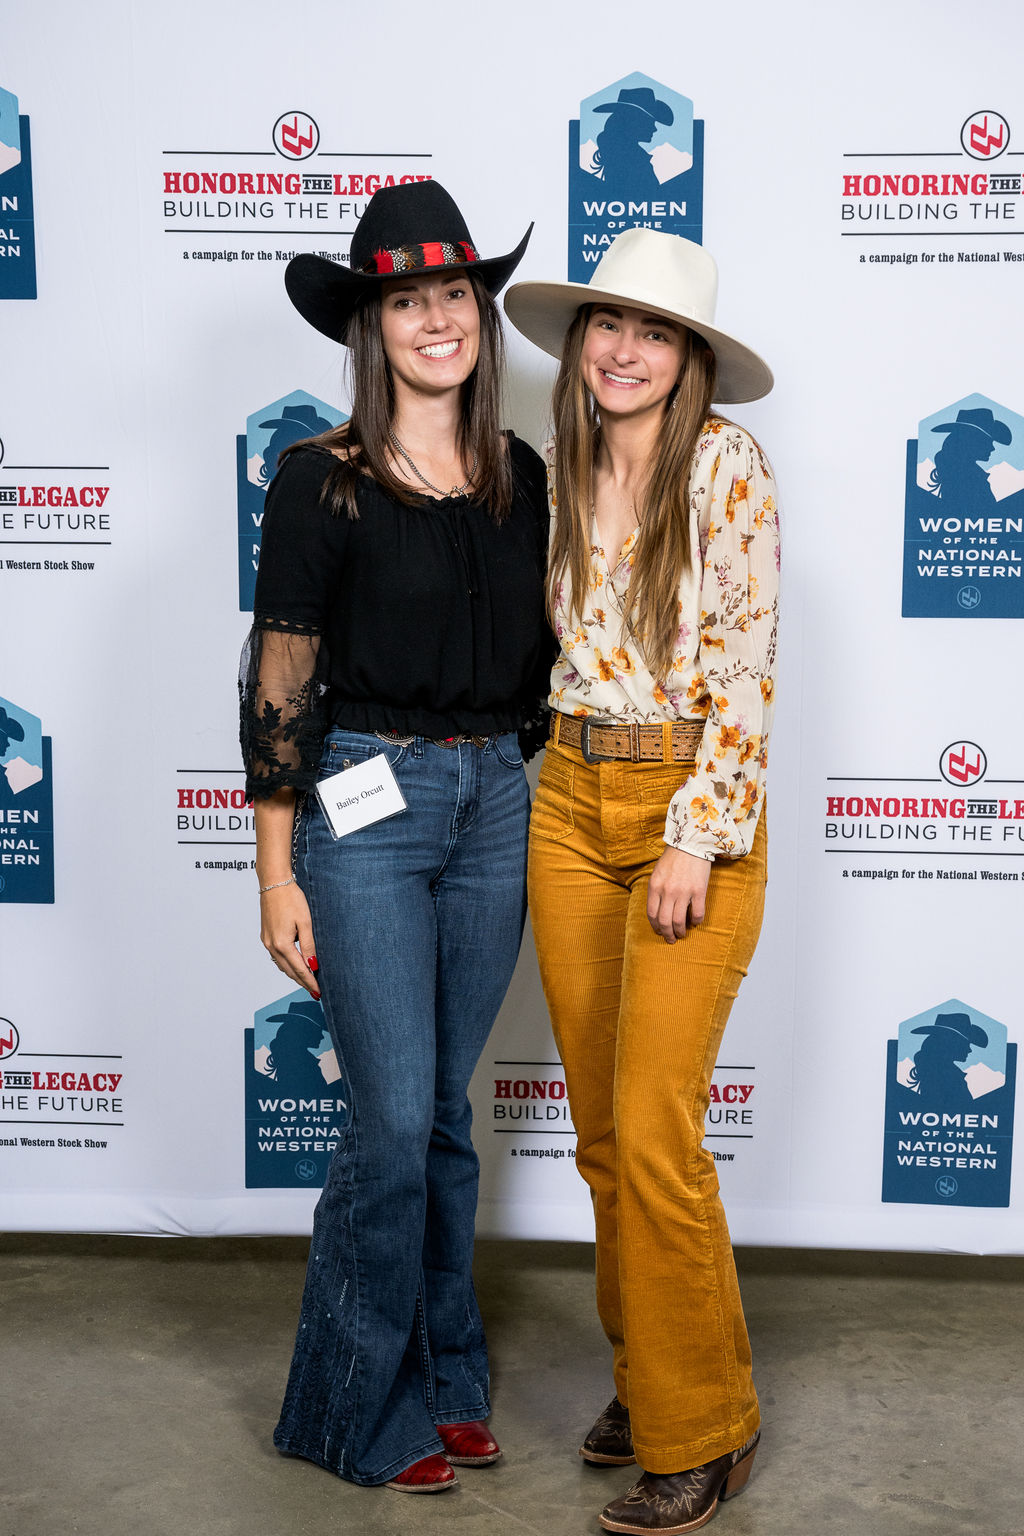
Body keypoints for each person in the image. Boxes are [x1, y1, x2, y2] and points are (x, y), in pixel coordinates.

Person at [239, 181, 550, 1494]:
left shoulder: (522, 477)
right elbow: (281, 676)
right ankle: (352, 1412)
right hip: (364, 805)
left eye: (455, 294)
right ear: (371, 327)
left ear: (481, 310)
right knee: (385, 1124)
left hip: (497, 804)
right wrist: (275, 871)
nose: (437, 319)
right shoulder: (321, 481)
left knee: (439, 1116)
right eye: (407, 299)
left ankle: (448, 1376)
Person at [504, 228, 779, 1534]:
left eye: (653, 332)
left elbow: (746, 672)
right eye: (607, 324)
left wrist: (693, 834)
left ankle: (703, 1427)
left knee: (659, 1135)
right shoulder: (556, 466)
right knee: (607, 1140)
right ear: (579, 343)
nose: (623, 349)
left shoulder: (726, 467)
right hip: (568, 796)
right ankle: (653, 1373)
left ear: (690, 358)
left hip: (686, 808)